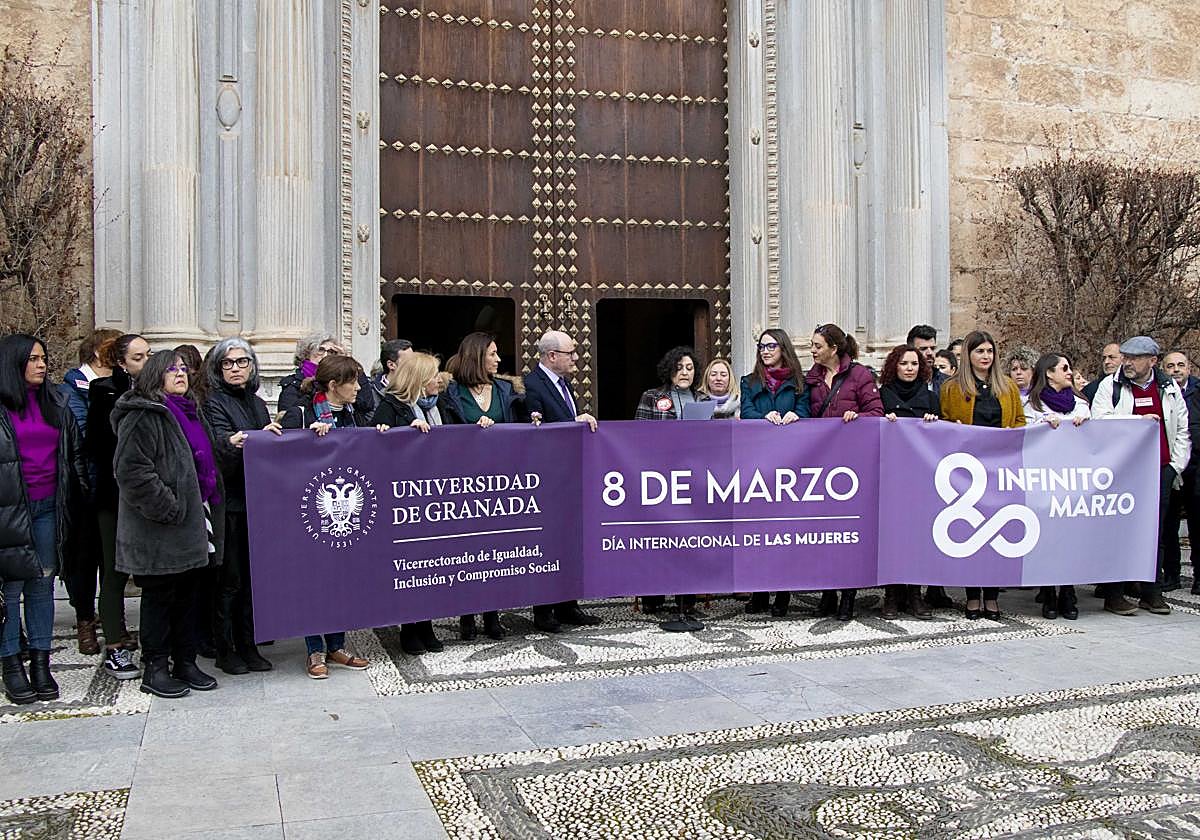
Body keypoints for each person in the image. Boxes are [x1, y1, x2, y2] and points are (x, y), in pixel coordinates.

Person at [109, 349, 223, 698]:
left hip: (192, 523)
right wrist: (170, 509)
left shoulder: (191, 412)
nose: (180, 374)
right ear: (154, 375)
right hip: (158, 528)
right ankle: (155, 667)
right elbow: (132, 472)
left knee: (188, 595)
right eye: (171, 369)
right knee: (160, 597)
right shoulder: (143, 415)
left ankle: (185, 661)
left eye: (183, 369)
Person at [280, 354, 380, 677]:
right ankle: (315, 650)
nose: (358, 387)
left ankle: (336, 644)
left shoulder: (353, 413)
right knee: (314, 582)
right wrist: (308, 439)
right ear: (334, 385)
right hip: (312, 514)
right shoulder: (302, 413)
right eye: (353, 381)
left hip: (349, 515)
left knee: (341, 579)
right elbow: (281, 454)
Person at [0, 335, 87, 705]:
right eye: (33, 359)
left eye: (43, 358)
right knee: (10, 590)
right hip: (8, 511)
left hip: (49, 506)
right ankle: (11, 664)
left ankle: (40, 661)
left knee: (42, 583)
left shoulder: (58, 400)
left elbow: (74, 454)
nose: (41, 365)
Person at [1091, 336, 1190, 617]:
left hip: (1158, 470)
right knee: (1118, 531)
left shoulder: (1168, 387)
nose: (1127, 362)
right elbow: (1100, 421)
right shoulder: (1110, 386)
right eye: (1125, 356)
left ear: (1152, 361)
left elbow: (1180, 430)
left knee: (1154, 532)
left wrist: (1174, 467)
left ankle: (1151, 592)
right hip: (1122, 471)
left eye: (1134, 358)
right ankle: (1114, 593)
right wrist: (1138, 422)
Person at [373, 352, 462, 654]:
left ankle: (427, 624)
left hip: (439, 498)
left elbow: (462, 436)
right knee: (412, 567)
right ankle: (409, 628)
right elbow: (375, 449)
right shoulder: (390, 408)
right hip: (406, 502)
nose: (439, 379)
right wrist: (399, 436)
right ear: (419, 380)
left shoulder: (443, 406)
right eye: (434, 374)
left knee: (432, 566)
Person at [202, 338, 282, 675]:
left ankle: (249, 645)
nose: (236, 368)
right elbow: (219, 445)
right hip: (229, 503)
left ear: (252, 367)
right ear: (219, 369)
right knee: (229, 581)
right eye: (229, 363)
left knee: (253, 580)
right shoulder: (212, 402)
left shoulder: (258, 402)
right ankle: (226, 649)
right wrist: (243, 441)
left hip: (256, 502)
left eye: (242, 362)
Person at [940, 330, 1025, 620]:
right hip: (968, 471)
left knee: (997, 531)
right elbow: (945, 425)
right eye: (979, 352)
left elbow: (1020, 422)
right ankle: (972, 595)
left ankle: (992, 594)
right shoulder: (952, 388)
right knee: (971, 531)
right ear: (969, 355)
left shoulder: (1008, 387)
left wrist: (1013, 434)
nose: (985, 357)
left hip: (1000, 469)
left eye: (989, 351)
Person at [447, 333, 524, 641]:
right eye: (493, 354)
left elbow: (517, 430)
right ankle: (467, 614)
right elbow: (445, 432)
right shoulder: (452, 392)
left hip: (501, 482)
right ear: (477, 357)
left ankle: (493, 615)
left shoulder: (505, 390)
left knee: (496, 551)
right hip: (465, 482)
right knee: (468, 550)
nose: (498, 359)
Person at [523, 330, 601, 633]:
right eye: (571, 352)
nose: (576, 358)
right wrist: (573, 423)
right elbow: (537, 429)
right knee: (548, 545)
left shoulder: (564, 384)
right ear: (551, 356)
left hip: (570, 477)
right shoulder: (532, 385)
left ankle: (569, 604)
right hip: (547, 480)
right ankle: (544, 611)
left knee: (570, 542)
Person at [807, 324, 883, 621]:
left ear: (833, 348)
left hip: (852, 467)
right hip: (820, 466)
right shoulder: (811, 379)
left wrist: (858, 416)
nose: (812, 351)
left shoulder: (860, 375)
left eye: (817, 346)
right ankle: (827, 591)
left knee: (847, 532)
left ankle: (848, 596)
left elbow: (876, 412)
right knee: (823, 532)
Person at [88, 334, 151, 679]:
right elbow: (98, 443)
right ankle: (114, 642)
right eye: (138, 357)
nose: (146, 362)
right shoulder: (103, 390)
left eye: (149, 355)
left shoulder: (158, 392)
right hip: (114, 496)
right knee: (113, 572)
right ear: (122, 362)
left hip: (147, 497)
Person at [634, 347, 705, 632]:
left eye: (689, 367)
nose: (685, 372)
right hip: (660, 479)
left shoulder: (702, 399)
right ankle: (655, 592)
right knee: (660, 537)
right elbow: (638, 435)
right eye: (680, 367)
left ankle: (686, 598)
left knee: (690, 539)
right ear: (669, 369)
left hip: (693, 479)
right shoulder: (653, 397)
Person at [740, 329, 809, 616]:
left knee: (784, 532)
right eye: (761, 346)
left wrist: (797, 416)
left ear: (783, 348)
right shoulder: (749, 381)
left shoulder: (798, 383)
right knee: (758, 533)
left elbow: (806, 412)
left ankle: (783, 593)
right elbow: (745, 411)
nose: (766, 350)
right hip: (758, 464)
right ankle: (759, 593)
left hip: (790, 466)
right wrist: (762, 417)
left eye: (771, 345)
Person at [59, 328, 120, 655]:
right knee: (83, 560)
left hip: (113, 486)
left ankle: (114, 625)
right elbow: (82, 439)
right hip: (84, 487)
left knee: (111, 561)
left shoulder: (121, 384)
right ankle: (85, 619)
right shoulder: (72, 389)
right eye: (114, 348)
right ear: (97, 352)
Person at [1022, 353, 1090, 620]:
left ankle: (1069, 591)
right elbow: (1022, 434)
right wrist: (1042, 426)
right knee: (1047, 537)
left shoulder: (1081, 405)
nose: (1070, 372)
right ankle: (1048, 590)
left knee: (1071, 537)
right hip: (1043, 481)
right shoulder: (1031, 405)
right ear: (1049, 373)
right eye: (1064, 368)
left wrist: (1086, 426)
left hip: (1073, 481)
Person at [878, 345, 938, 620]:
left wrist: (933, 422)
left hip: (920, 476)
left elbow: (941, 433)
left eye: (914, 363)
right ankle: (892, 594)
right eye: (904, 363)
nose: (910, 368)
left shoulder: (929, 396)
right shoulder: (884, 395)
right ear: (895, 366)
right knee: (893, 534)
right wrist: (885, 421)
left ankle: (914, 594)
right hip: (891, 474)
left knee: (916, 535)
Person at [1161, 350, 1200, 593]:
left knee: (1197, 523)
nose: (1176, 369)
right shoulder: (1162, 391)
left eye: (1181, 365)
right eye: (1171, 366)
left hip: (1195, 466)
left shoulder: (1197, 392)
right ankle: (1172, 573)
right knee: (1168, 524)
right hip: (1171, 466)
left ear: (1189, 368)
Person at [277, 333, 375, 419]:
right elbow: (288, 418)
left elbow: (367, 404)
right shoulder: (293, 384)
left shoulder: (341, 381)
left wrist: (346, 362)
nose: (325, 355)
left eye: (332, 352)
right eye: (321, 350)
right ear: (306, 354)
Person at [907, 324, 950, 398]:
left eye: (933, 348)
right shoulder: (901, 384)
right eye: (923, 349)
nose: (930, 353)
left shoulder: (948, 383)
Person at [369, 339, 414, 404]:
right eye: (408, 361)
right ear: (391, 365)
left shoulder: (418, 389)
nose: (414, 364)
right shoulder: (372, 396)